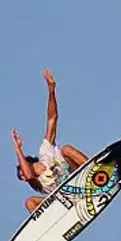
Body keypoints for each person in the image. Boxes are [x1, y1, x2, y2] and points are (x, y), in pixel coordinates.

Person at [12, 68, 88, 213]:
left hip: (80, 181)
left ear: (28, 162)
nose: (23, 177)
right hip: (64, 201)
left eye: (21, 171)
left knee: (65, 149)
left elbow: (52, 119)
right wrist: (17, 149)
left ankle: (97, 170)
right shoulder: (37, 182)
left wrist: (51, 90)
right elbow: (29, 175)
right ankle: (48, 228)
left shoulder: (45, 152)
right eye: (21, 178)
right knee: (29, 202)